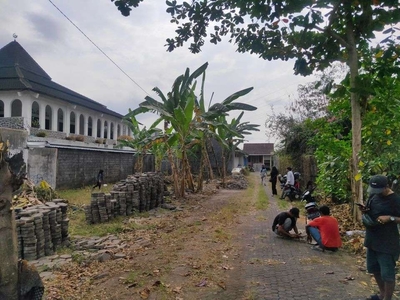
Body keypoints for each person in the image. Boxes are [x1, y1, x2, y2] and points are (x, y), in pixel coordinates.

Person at [358, 175, 400, 300]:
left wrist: (390, 218)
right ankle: (382, 294)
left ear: (386, 187)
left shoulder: (395, 200)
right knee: (374, 268)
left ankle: (387, 298)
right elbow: (372, 209)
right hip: (372, 239)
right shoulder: (373, 195)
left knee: (387, 273)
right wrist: (365, 210)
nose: (375, 193)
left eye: (378, 191)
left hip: (387, 242)